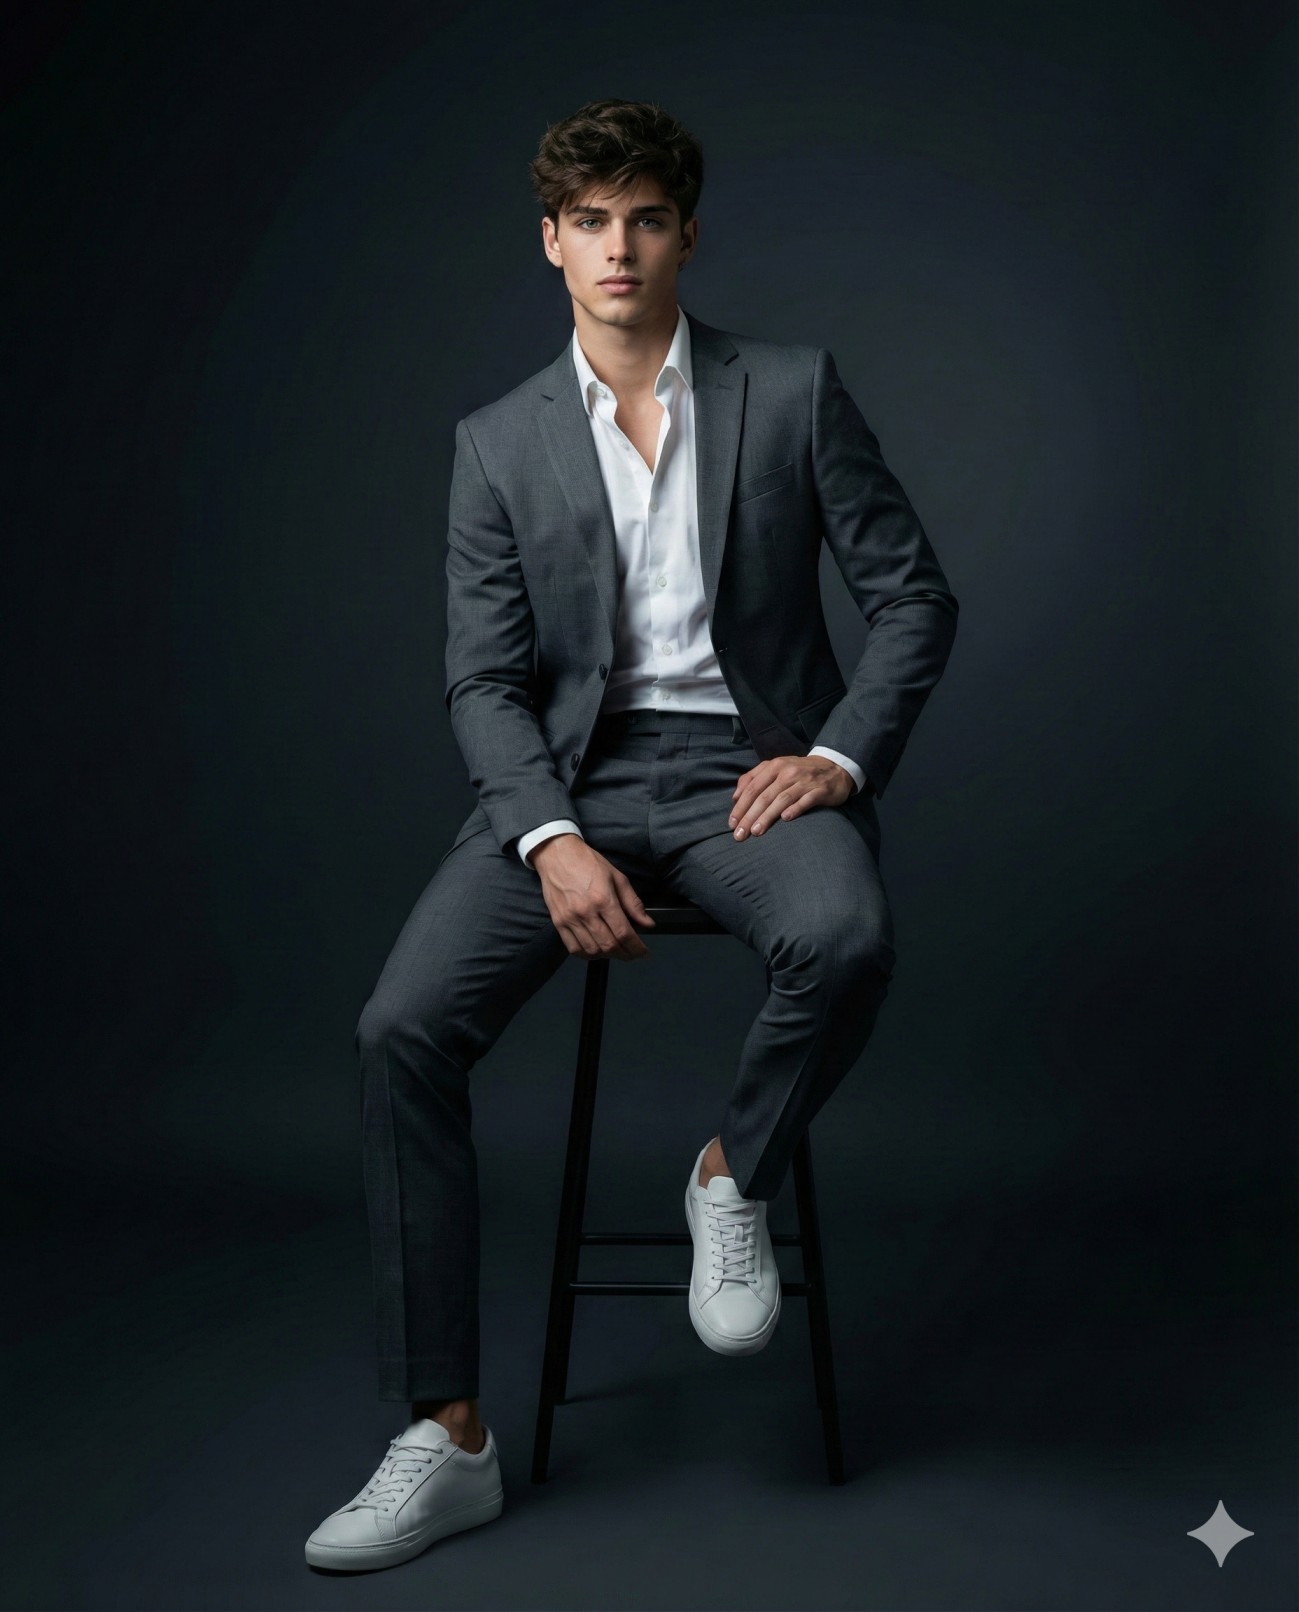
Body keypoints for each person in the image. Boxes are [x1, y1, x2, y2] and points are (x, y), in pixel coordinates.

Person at [305, 96, 958, 1573]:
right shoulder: (495, 443)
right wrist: (545, 836)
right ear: (550, 245)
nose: (620, 246)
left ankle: (732, 1178)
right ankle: (448, 1436)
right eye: (590, 221)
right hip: (570, 783)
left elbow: (917, 596)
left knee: (847, 939)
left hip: (747, 772)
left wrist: (840, 758)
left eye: (645, 216)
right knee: (400, 1029)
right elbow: (482, 679)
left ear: (686, 232)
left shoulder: (791, 391)